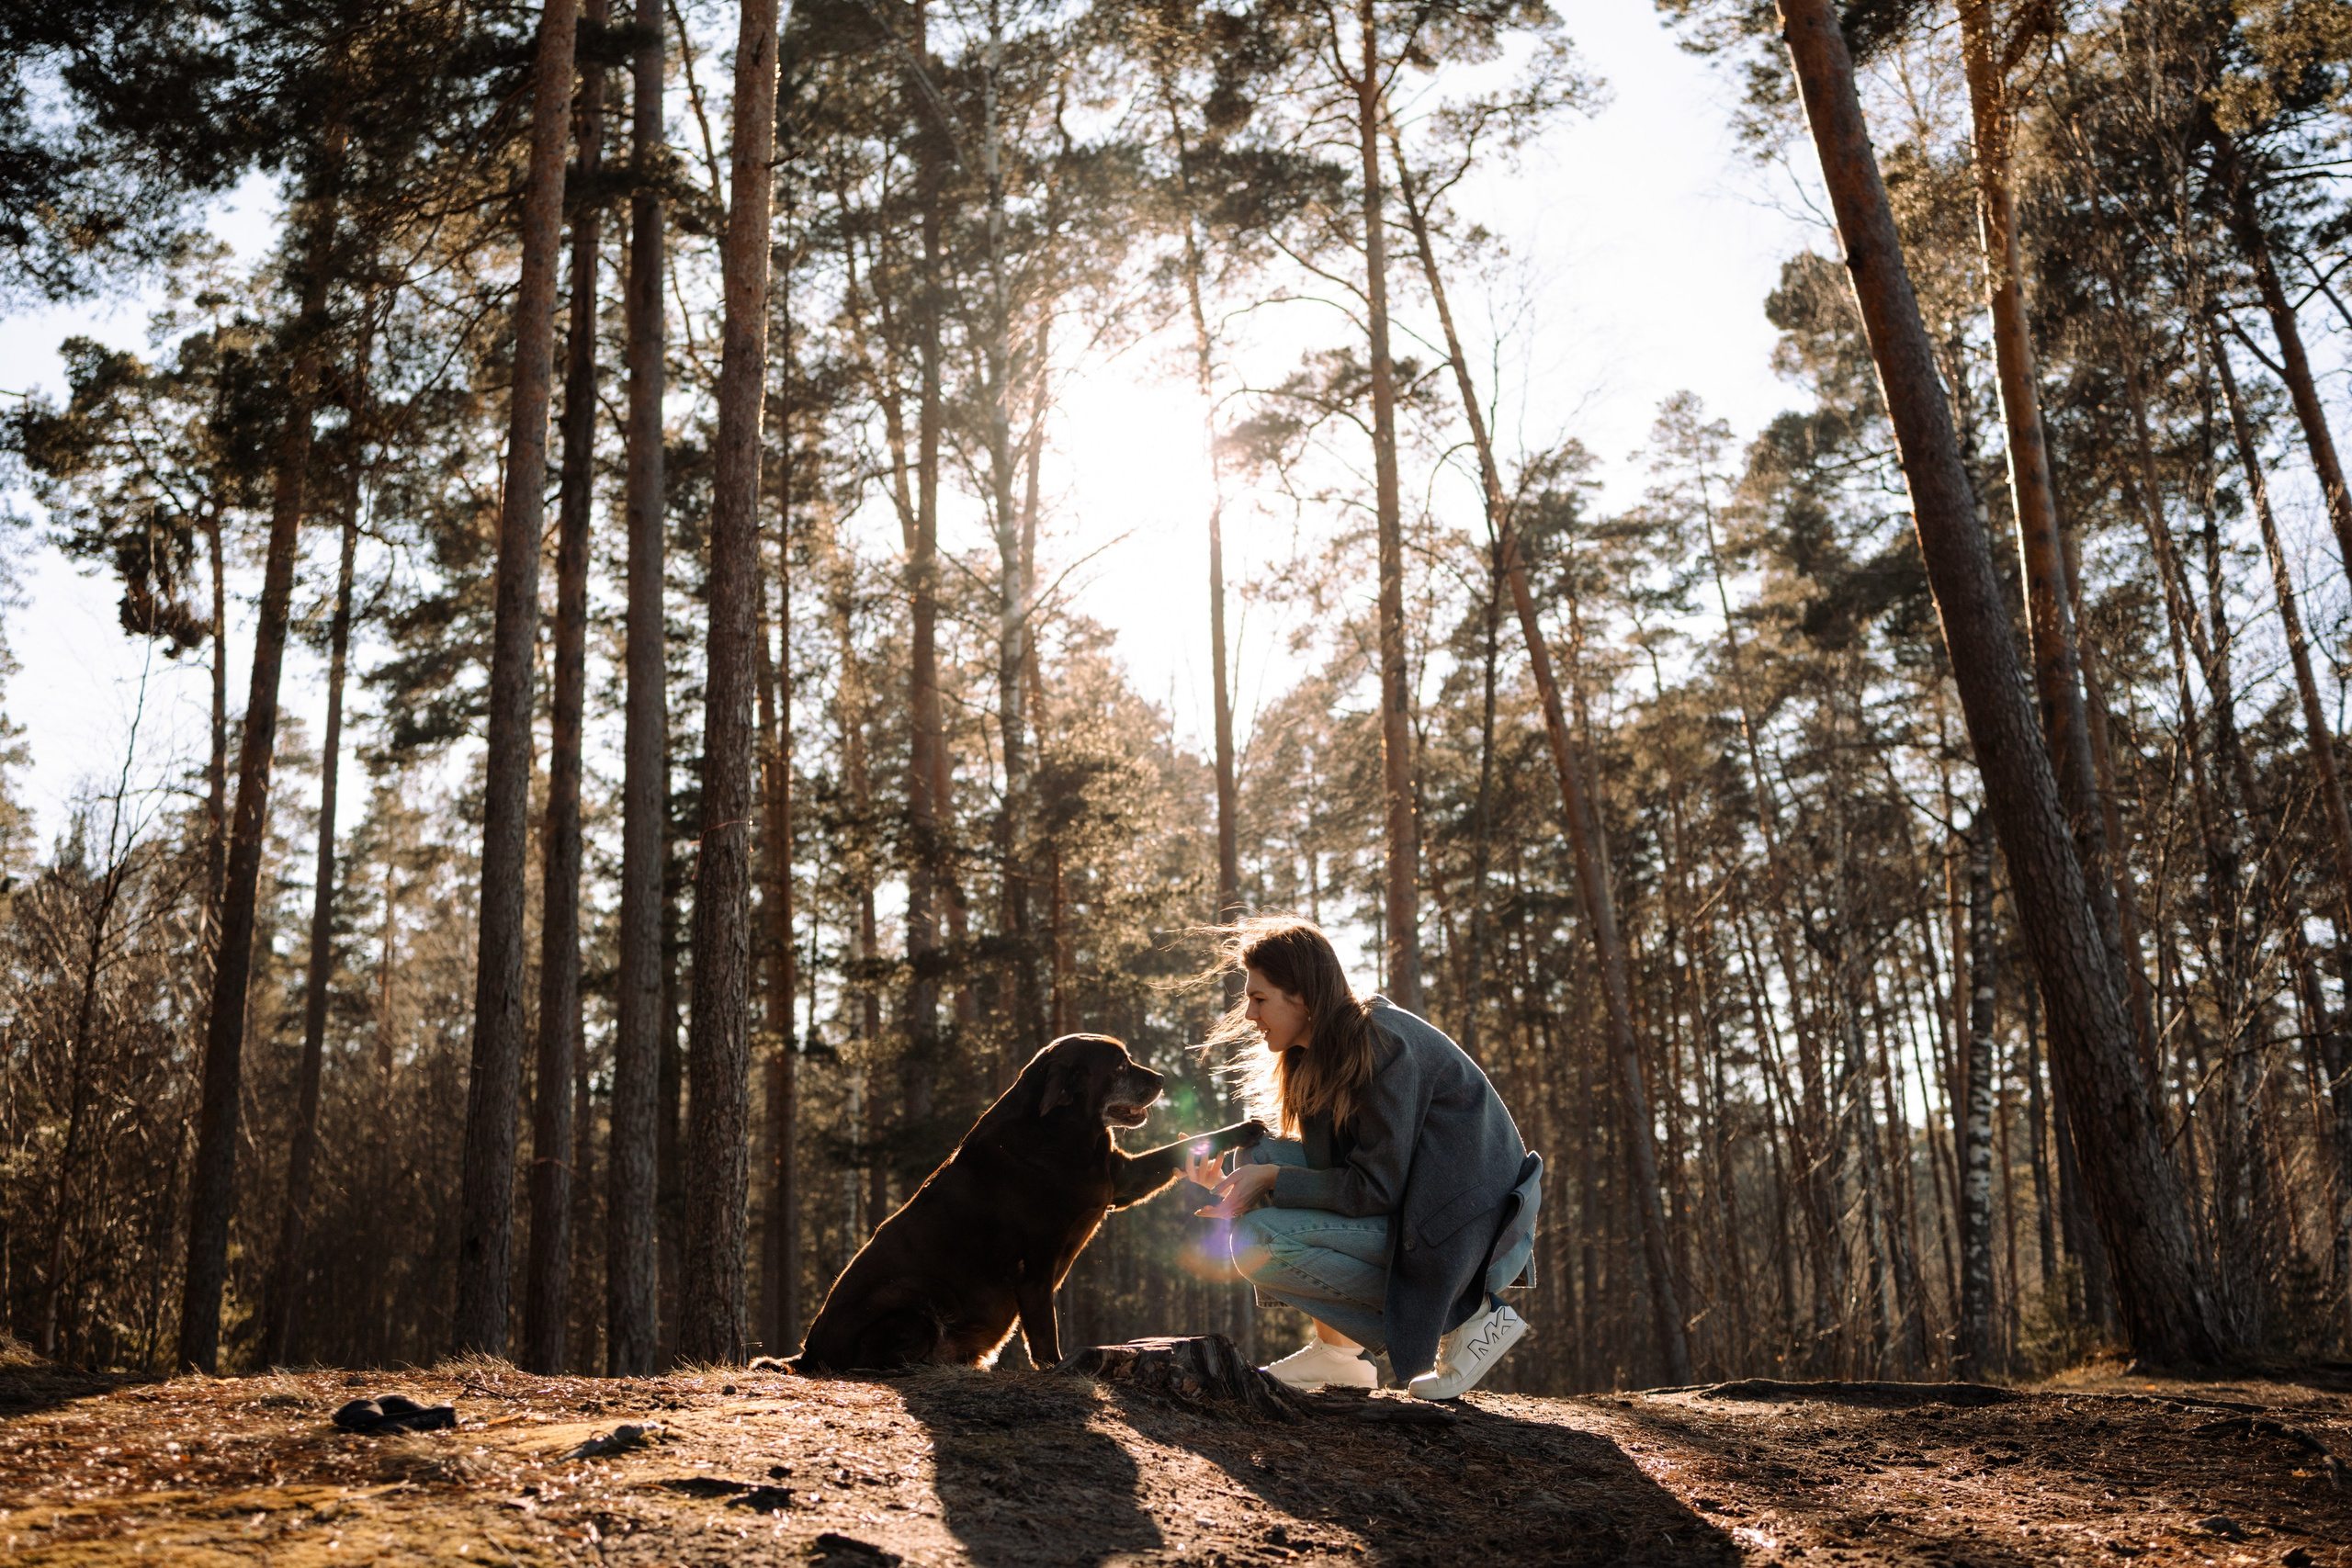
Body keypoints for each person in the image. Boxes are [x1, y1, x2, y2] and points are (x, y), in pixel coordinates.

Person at [1185, 915, 1542, 1400]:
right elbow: (1335, 1171)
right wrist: (1238, 1180)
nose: (1249, 1014)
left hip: (1473, 1238)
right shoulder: (1317, 1054)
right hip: (1421, 1212)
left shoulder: (1382, 1045)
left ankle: (1475, 1317)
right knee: (1259, 1152)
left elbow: (1375, 1188)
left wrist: (1269, 1179)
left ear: (1304, 997)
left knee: (1258, 1240)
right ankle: (1338, 1355)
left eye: (1259, 998)